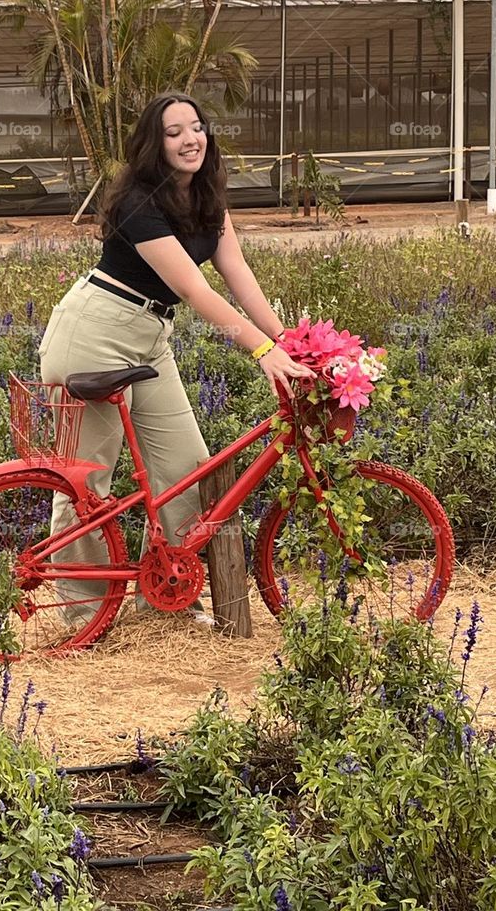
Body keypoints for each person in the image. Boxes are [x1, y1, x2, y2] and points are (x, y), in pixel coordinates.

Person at [38, 91, 314, 627]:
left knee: (188, 471)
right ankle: (83, 613)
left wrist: (289, 340)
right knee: (85, 482)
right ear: (154, 145)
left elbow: (238, 275)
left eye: (197, 127)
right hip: (94, 332)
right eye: (174, 132)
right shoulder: (138, 203)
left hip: (149, 336)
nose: (190, 139)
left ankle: (162, 601)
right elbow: (194, 289)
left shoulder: (208, 199)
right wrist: (260, 348)